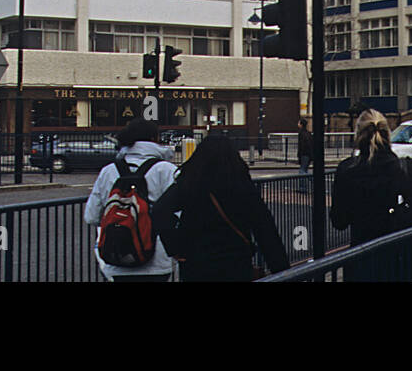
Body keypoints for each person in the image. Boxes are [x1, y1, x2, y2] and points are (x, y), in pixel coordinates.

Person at [153, 134, 290, 281]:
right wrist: (281, 270)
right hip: (235, 263)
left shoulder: (190, 184)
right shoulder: (241, 185)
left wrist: (175, 247)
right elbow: (265, 229)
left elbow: (160, 210)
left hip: (196, 264)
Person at [83, 119, 179, 282]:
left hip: (116, 255)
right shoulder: (166, 170)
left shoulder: (108, 171)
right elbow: (178, 214)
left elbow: (91, 216)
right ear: (154, 139)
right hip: (156, 258)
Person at [330, 109, 412, 248]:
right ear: (387, 133)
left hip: (360, 253)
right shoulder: (402, 168)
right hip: (396, 252)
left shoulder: (347, 169)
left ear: (358, 135)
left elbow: (339, 222)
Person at [296, 118, 311, 193]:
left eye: (299, 123)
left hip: (304, 154)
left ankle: (302, 188)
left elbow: (301, 145)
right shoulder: (308, 133)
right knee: (305, 170)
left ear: (301, 124)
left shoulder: (301, 133)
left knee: (302, 171)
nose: (298, 124)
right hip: (308, 154)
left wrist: (299, 155)